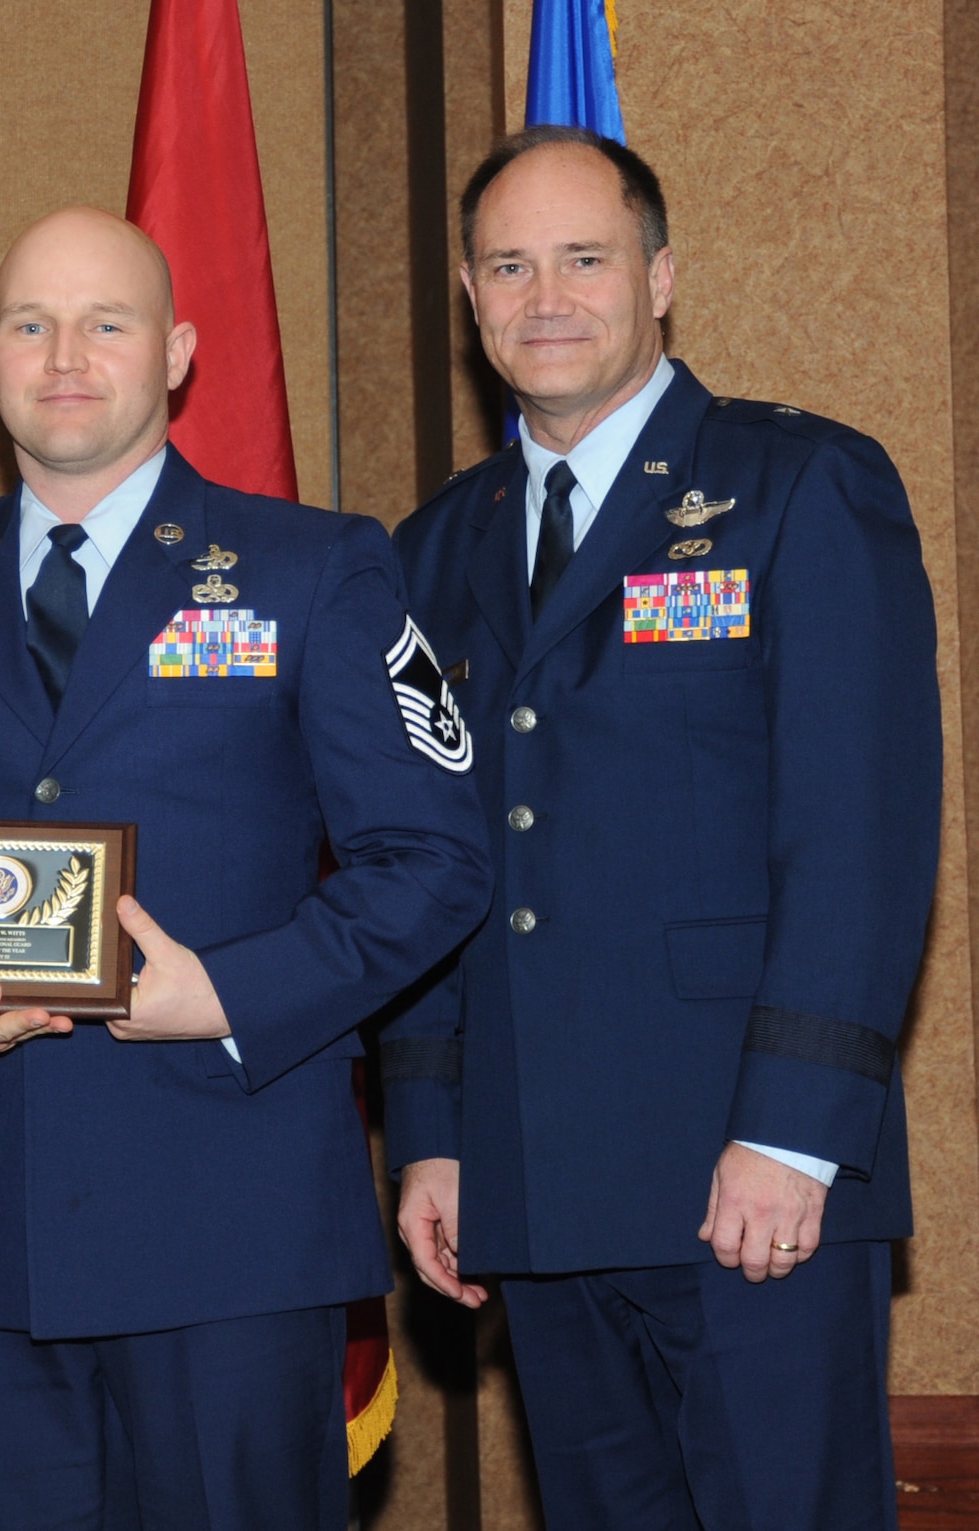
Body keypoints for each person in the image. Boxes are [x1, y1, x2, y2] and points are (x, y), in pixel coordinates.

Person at [0, 206, 492, 1530]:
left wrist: (227, 994)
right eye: (34, 324)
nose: (68, 354)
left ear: (174, 352)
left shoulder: (315, 569)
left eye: (106, 323)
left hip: (231, 1228)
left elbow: (434, 858)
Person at [384, 127, 938, 1530]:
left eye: (586, 257)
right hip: (538, 1178)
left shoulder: (801, 488)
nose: (546, 296)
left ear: (662, 276)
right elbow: (432, 859)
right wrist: (437, 1134)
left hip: (744, 1177)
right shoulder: (429, 549)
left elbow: (859, 835)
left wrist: (797, 1137)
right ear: (469, 292)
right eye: (510, 265)